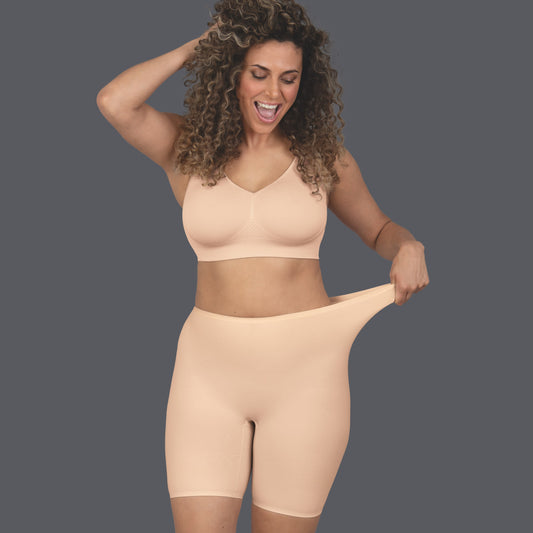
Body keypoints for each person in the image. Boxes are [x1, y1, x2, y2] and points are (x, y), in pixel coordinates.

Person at [96, 0, 429, 531]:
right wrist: (201, 47)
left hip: (306, 376)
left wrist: (409, 246)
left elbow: (380, 230)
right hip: (207, 372)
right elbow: (115, 101)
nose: (274, 92)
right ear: (232, 72)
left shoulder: (324, 158)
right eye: (259, 73)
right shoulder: (189, 150)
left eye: (289, 78)